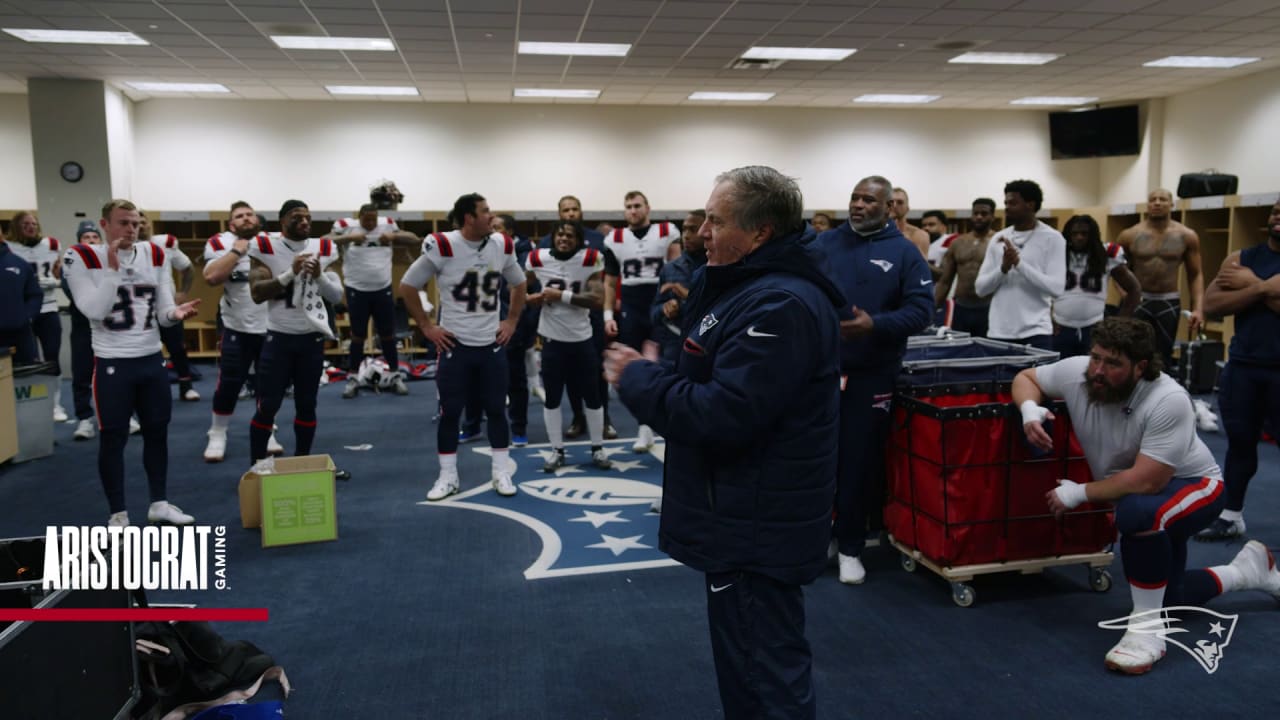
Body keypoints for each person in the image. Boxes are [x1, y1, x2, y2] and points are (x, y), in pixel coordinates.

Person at [606, 166, 842, 719]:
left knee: (763, 675)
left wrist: (641, 378)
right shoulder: (747, 289)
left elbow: (724, 413)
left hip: (756, 524)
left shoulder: (779, 304)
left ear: (760, 232)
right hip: (740, 513)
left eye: (716, 220)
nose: (701, 232)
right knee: (749, 668)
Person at [1014, 317, 1280, 675]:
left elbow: (1146, 482)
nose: (1098, 370)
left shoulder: (1167, 398)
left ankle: (1147, 632)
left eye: (1112, 364)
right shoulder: (1078, 372)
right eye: (1095, 358)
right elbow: (1027, 378)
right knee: (1170, 596)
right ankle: (1248, 572)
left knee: (1138, 514)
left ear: (1140, 367)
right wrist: (1029, 409)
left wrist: (1080, 493)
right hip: (1148, 493)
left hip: (1198, 487)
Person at [810, 175, 934, 584]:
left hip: (872, 374)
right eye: (854, 197)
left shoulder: (904, 253)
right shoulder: (823, 244)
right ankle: (820, 538)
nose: (858, 205)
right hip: (820, 372)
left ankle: (850, 546)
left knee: (858, 462)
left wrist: (874, 325)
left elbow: (921, 312)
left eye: (869, 200)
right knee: (817, 457)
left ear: (889, 208)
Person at [62, 199, 200, 526]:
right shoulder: (79, 255)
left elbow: (164, 312)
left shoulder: (154, 253)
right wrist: (112, 268)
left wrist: (174, 315)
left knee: (157, 432)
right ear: (104, 224)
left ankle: (159, 503)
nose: (131, 229)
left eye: (135, 223)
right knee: (114, 437)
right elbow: (93, 310)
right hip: (113, 363)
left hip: (151, 359)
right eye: (123, 222)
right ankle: (118, 512)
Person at [400, 193, 527, 501]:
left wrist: (510, 321)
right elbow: (407, 286)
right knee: (450, 412)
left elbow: (519, 284)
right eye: (485, 211)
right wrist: (428, 327)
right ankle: (448, 475)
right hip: (456, 344)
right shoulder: (443, 244)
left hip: (490, 343)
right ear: (469, 217)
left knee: (497, 409)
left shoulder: (502, 244)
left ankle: (501, 471)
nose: (492, 216)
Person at [1195, 197, 1280, 541]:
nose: (1278, 215)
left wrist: (1247, 286)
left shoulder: (1244, 269)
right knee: (1241, 443)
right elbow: (1212, 304)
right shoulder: (1241, 260)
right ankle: (1231, 516)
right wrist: (1263, 287)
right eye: (1276, 210)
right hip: (1244, 367)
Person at [246, 200, 344, 464]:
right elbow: (257, 293)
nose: (303, 221)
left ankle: (302, 462)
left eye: (307, 217)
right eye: (296, 217)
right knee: (268, 405)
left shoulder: (323, 247)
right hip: (278, 338)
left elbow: (336, 296)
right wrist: (291, 272)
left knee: (307, 404)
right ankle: (257, 464)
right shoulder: (265, 246)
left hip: (310, 339)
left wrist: (321, 276)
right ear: (282, 221)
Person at [526, 220, 612, 471]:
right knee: (552, 398)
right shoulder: (538, 258)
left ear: (578, 240)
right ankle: (556, 450)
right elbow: (519, 286)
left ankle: (597, 447)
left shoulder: (590, 259)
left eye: (570, 236)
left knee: (593, 397)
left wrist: (560, 295)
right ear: (553, 237)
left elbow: (597, 300)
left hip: (582, 339)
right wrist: (529, 298)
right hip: (552, 341)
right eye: (560, 234)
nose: (564, 239)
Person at [200, 201, 282, 462]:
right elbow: (212, 278)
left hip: (271, 326)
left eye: (250, 214)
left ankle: (267, 429)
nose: (246, 218)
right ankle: (218, 432)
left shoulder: (273, 242)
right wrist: (236, 252)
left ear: (258, 220)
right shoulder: (219, 243)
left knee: (268, 384)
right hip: (236, 324)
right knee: (229, 383)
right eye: (239, 216)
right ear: (231, 224)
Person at [603, 190, 679, 453]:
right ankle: (644, 428)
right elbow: (610, 282)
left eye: (637, 205)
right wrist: (607, 315)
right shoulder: (616, 238)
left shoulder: (667, 231)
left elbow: (677, 268)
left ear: (648, 208)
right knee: (635, 362)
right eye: (628, 206)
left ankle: (671, 421)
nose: (633, 211)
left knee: (668, 362)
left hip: (660, 301)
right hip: (632, 306)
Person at [538, 196, 615, 441]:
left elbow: (607, 278)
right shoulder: (546, 243)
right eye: (566, 210)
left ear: (581, 211)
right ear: (559, 213)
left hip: (590, 313)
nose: (570, 213)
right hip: (559, 319)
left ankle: (604, 419)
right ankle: (577, 417)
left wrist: (606, 311)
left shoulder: (597, 240)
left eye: (575, 209)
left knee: (595, 368)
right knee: (569, 373)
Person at [327, 203, 419, 399]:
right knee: (357, 336)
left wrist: (393, 237)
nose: (370, 224)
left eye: (373, 219)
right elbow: (325, 241)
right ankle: (353, 378)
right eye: (366, 220)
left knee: (387, 335)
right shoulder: (346, 225)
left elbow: (413, 238)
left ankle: (394, 374)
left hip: (382, 288)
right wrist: (349, 238)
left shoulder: (387, 224)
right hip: (356, 289)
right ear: (359, 217)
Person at [461, 213, 537, 446]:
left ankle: (519, 429)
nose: (492, 231)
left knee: (515, 379)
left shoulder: (522, 252)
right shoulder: (479, 248)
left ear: (510, 232)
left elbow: (522, 285)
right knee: (473, 379)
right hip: (479, 323)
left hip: (509, 324)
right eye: (491, 227)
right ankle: (472, 426)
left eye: (498, 228)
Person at [1117, 189, 1205, 372]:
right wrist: (1125, 295)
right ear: (1147, 205)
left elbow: (1195, 274)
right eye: (1152, 199)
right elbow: (1116, 269)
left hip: (1168, 301)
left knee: (1162, 356)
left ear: (1172, 204)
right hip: (1139, 299)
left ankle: (1160, 397)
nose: (1157, 203)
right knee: (1130, 352)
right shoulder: (1130, 235)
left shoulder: (1186, 235)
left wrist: (1198, 309)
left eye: (1162, 199)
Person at [974, 180, 1066, 351]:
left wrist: (1019, 264)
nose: (1007, 207)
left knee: (1032, 379)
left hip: (1036, 331)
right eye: (1006, 203)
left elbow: (1056, 288)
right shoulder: (998, 238)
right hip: (998, 332)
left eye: (1013, 203)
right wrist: (1003, 268)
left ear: (1030, 205)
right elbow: (980, 289)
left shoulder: (1053, 238)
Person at [1052, 214, 1141, 357]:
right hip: (1060, 327)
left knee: (1093, 374)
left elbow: (1134, 289)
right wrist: (1045, 318)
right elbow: (1038, 289)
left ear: (1092, 235)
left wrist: (1119, 323)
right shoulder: (1056, 255)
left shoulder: (1106, 254)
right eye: (1074, 233)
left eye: (1084, 233)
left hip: (1094, 326)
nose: (1079, 237)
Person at [7, 211, 66, 419]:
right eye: (25, 224)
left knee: (52, 356)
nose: (31, 227)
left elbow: (61, 275)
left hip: (49, 307)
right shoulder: (10, 248)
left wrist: (55, 283)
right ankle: (31, 404)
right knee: (28, 359)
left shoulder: (51, 245)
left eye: (33, 223)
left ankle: (55, 404)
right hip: (24, 310)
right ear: (16, 226)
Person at [139, 215, 201, 402]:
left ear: (149, 224)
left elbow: (188, 268)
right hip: (141, 310)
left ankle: (186, 385)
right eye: (136, 222)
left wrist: (183, 291)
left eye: (144, 221)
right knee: (145, 351)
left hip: (167, 305)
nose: (140, 226)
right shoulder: (124, 249)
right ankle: (147, 389)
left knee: (177, 347)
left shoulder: (165, 243)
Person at [651, 210, 708, 366]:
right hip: (673, 351)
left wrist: (686, 295)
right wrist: (665, 308)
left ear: (707, 230)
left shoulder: (720, 266)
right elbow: (654, 313)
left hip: (707, 347)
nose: (686, 235)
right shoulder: (669, 269)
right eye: (684, 229)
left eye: (693, 229)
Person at [63, 221, 103, 439]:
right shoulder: (71, 261)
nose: (90, 240)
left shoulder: (108, 259)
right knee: (82, 371)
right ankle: (84, 419)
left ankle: (126, 415)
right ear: (79, 241)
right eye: (86, 237)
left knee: (113, 372)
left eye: (94, 237)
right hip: (82, 324)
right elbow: (72, 291)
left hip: (107, 325)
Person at [935, 198, 997, 337]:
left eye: (984, 213)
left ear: (992, 216)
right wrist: (934, 307)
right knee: (960, 349)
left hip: (989, 308)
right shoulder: (958, 243)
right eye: (975, 213)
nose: (979, 217)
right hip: (961, 307)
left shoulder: (998, 241)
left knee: (986, 352)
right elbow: (945, 280)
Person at [0, 229, 40, 364]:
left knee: (27, 380)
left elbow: (35, 295)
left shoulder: (20, 264)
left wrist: (27, 317)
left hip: (20, 335)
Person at [887, 187, 931, 258]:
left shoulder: (919, 235)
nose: (894, 205)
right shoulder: (876, 233)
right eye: (891, 202)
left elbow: (920, 266)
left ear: (907, 209)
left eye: (900, 202)